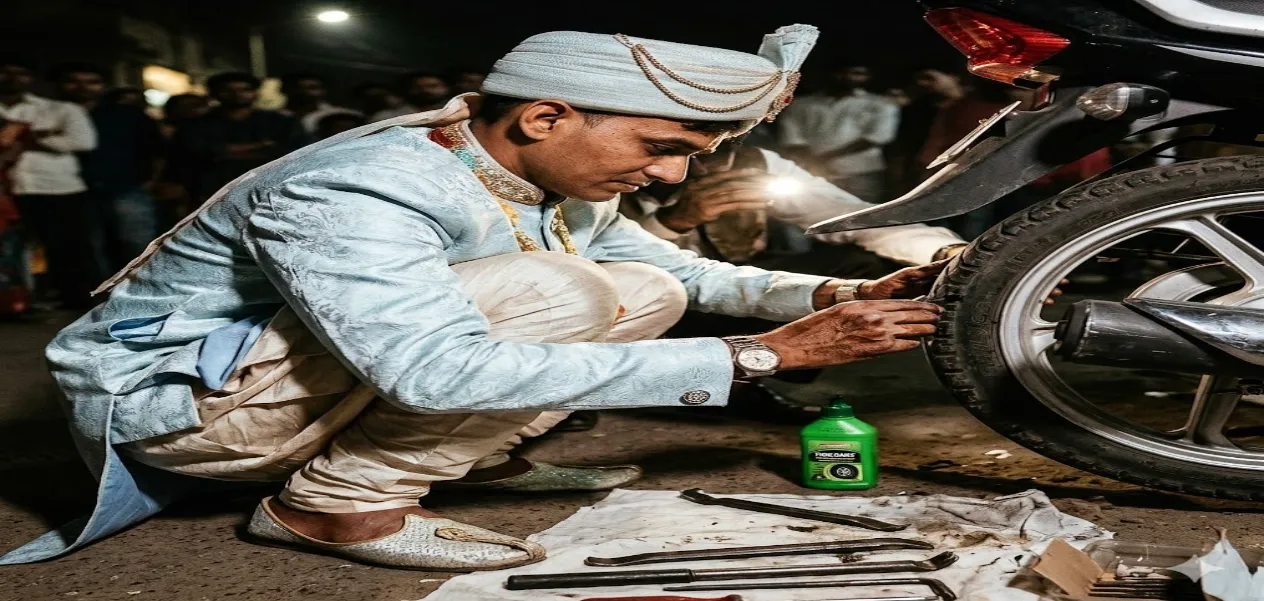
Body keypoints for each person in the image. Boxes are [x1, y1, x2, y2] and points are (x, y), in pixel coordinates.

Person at [3, 26, 945, 571]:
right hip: (183, 416)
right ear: (543, 117)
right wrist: (768, 355)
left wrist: (834, 290)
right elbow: (430, 365)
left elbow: (689, 277)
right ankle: (338, 504)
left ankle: (456, 461)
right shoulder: (365, 185)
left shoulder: (535, 170)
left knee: (646, 284)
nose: (664, 176)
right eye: (661, 146)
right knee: (556, 290)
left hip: (282, 384)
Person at [0, 58, 98, 309]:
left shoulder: (60, 109)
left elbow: (83, 142)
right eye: (5, 72)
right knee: (13, 247)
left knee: (65, 245)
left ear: (31, 78)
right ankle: (20, 299)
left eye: (20, 73)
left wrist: (31, 139)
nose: (12, 79)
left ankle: (75, 299)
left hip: (56, 187)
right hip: (8, 189)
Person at [54, 63, 166, 272]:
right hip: (68, 190)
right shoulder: (47, 113)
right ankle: (100, 297)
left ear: (103, 85)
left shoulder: (127, 115)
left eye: (91, 82)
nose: (82, 87)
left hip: (126, 187)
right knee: (87, 248)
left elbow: (157, 150)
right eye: (74, 82)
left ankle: (144, 293)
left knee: (137, 245)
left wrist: (150, 182)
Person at [165, 72, 308, 206]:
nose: (237, 95)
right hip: (210, 193)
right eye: (227, 90)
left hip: (270, 191)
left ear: (256, 93)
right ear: (214, 94)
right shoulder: (196, 125)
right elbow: (195, 153)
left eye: (244, 89)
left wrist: (225, 152)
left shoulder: (280, 122)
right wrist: (261, 146)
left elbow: (293, 152)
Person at [778, 63, 899, 202]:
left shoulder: (881, 104)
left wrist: (821, 159)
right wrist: (814, 162)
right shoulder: (801, 104)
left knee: (861, 216)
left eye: (857, 73)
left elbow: (878, 137)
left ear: (867, 77)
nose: (849, 77)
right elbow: (792, 137)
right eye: (843, 72)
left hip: (860, 172)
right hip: (810, 172)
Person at [279, 72, 363, 136]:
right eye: (298, 88)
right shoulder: (276, 118)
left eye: (312, 88)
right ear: (284, 90)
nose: (304, 92)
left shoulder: (341, 114)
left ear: (323, 91)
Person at [369, 70, 452, 121]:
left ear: (446, 88)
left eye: (433, 86)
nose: (426, 90)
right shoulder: (386, 117)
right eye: (418, 87)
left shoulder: (457, 115)